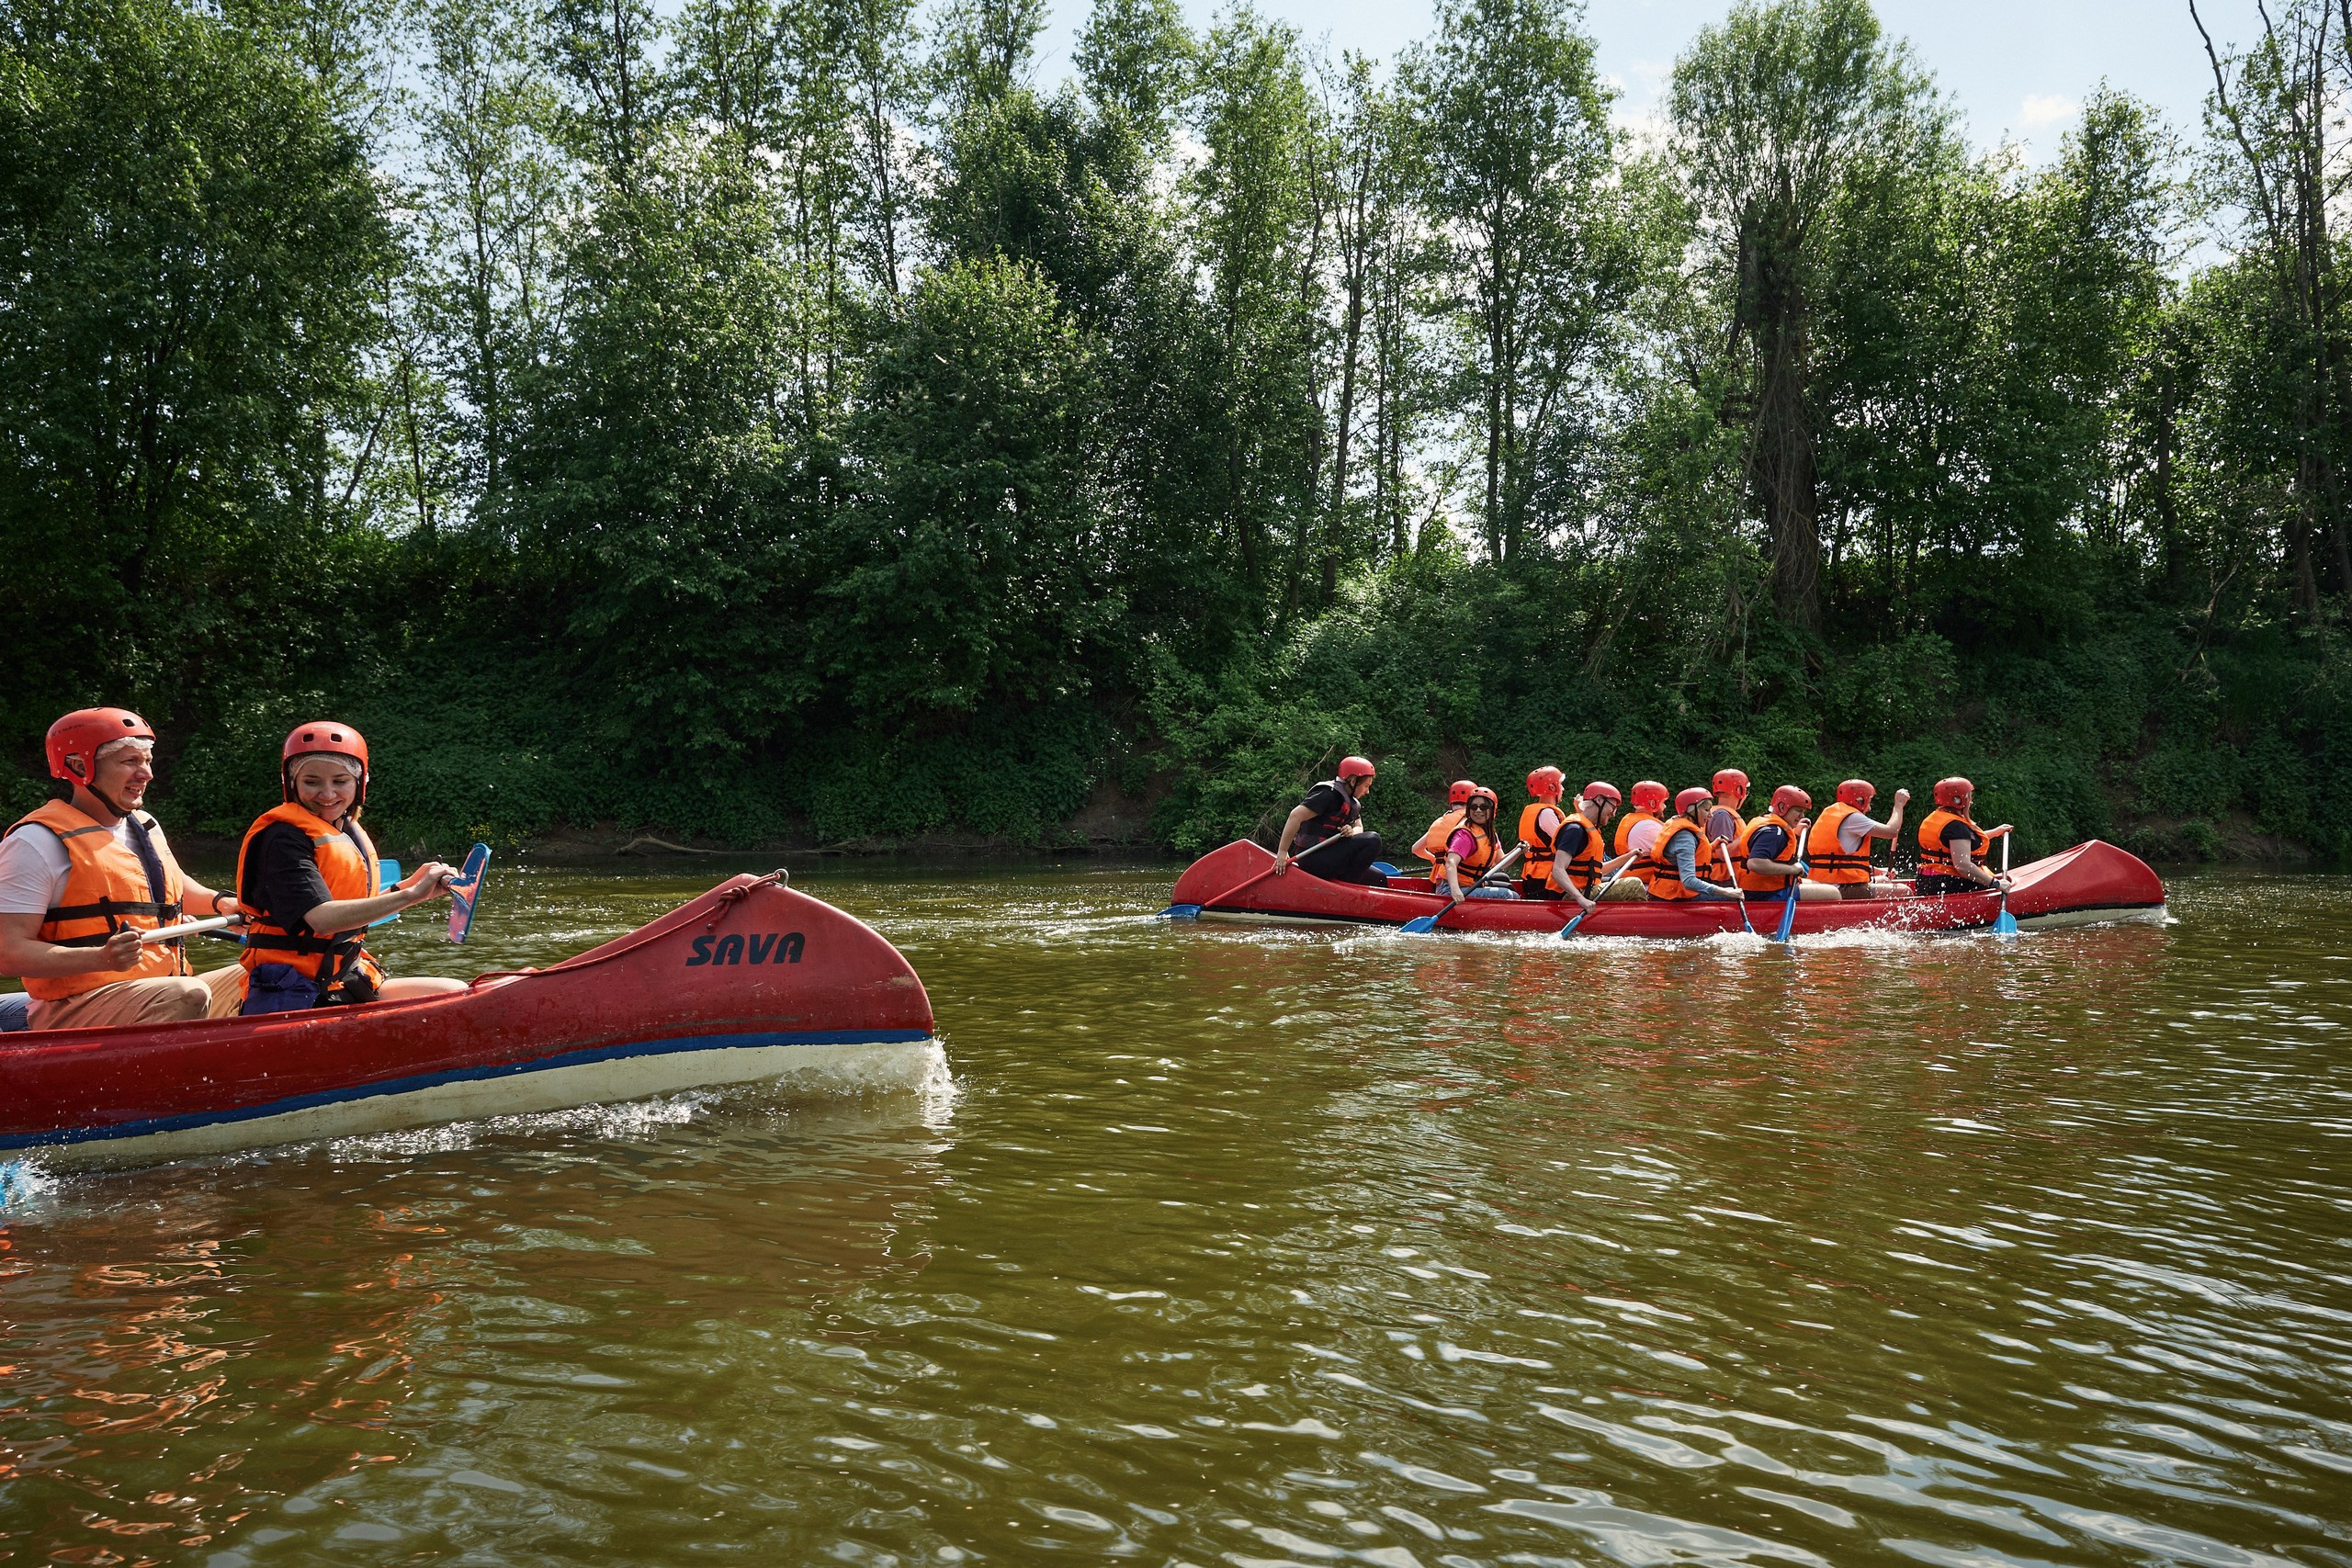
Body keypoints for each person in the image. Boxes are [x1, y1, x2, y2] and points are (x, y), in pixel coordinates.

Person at [0, 708, 247, 1030]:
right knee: (187, 992)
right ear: (79, 766)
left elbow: (169, 888)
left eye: (147, 761)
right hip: (75, 1006)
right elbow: (8, 952)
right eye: (130, 762)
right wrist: (100, 958)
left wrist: (222, 903)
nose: (146, 774)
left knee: (258, 970)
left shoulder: (144, 825)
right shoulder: (35, 842)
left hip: (157, 990)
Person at [236, 721, 470, 1012]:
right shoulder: (283, 839)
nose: (327, 793)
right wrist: (412, 896)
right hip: (291, 992)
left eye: (340, 781)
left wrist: (407, 886)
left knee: (455, 994)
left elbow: (351, 906)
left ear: (359, 783)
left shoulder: (346, 831)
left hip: (340, 980)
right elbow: (321, 919)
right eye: (312, 782)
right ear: (291, 783)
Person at [1273, 755, 1392, 887]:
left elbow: (1359, 827)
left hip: (1332, 856)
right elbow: (1295, 816)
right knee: (1373, 840)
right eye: (1366, 786)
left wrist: (1351, 831)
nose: (1367, 791)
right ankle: (1348, 889)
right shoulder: (1327, 794)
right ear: (1353, 781)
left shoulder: (1352, 802)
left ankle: (1352, 891)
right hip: (1313, 858)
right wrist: (1282, 852)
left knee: (1379, 878)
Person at [1734, 785, 1840, 905]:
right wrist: (1792, 869)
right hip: (1765, 894)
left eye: (1803, 812)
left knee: (1819, 885)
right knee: (1833, 893)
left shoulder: (1769, 824)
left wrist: (1796, 829)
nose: (1802, 816)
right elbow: (1755, 863)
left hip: (1765, 889)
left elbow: (1775, 846)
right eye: (1798, 811)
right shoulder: (1774, 832)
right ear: (1782, 807)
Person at [1806, 780, 1912, 899]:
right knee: (1905, 891)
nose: (1870, 808)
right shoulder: (1853, 818)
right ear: (1860, 800)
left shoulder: (1831, 812)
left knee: (1884, 880)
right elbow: (1891, 831)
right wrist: (1898, 805)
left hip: (1825, 882)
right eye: (1869, 801)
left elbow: (1841, 860)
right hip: (1839, 887)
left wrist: (1875, 870)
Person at [1642, 788, 1745, 903]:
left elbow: (1690, 855)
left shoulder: (1681, 826)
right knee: (1740, 896)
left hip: (1672, 892)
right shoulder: (1685, 837)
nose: (1711, 815)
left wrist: (1712, 846)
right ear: (1691, 810)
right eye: (1706, 810)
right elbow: (1689, 881)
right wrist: (1726, 892)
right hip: (1676, 896)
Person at [1550, 782, 1642, 910]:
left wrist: (1628, 857)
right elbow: (1557, 870)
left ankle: (1624, 918)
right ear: (1599, 800)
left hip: (1583, 890)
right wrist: (1580, 899)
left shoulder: (1588, 829)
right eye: (1613, 807)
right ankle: (1638, 921)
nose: (1614, 814)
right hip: (1569, 896)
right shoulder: (1575, 830)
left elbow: (1596, 871)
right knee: (1634, 885)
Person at [1915, 776, 2012, 897]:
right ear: (1957, 800)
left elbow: (1963, 842)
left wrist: (1995, 832)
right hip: (1950, 884)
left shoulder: (1937, 818)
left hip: (1927, 882)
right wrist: (1996, 884)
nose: (1971, 801)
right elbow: (1962, 865)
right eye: (1968, 797)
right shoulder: (1955, 826)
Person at [1516, 767, 1571, 900]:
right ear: (1552, 788)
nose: (1563, 789)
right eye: (1561, 785)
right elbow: (1567, 845)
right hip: (1546, 879)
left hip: (1533, 875)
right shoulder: (1547, 814)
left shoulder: (1531, 810)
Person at [1441, 786, 1505, 900]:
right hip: (1450, 889)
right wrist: (1455, 891)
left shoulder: (1489, 833)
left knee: (1505, 881)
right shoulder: (1464, 835)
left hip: (1470, 885)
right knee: (1508, 895)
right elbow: (1451, 862)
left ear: (1492, 809)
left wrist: (1518, 850)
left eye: (1484, 807)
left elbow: (1501, 862)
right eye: (1474, 807)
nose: (1478, 811)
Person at [1412, 780, 1477, 880]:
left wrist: (1434, 859)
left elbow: (1416, 849)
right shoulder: (1470, 820)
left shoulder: (1441, 821)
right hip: (1457, 879)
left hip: (1437, 879)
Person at [1615, 781, 1668, 860]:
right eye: (1663, 802)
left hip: (1629, 871)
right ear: (1652, 803)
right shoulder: (1650, 826)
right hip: (1648, 872)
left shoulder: (1631, 821)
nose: (1665, 806)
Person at [1706, 768, 1751, 855]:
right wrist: (1748, 834)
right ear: (1739, 790)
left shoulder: (1717, 813)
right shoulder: (1722, 816)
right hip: (1724, 869)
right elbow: (1722, 853)